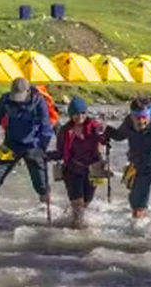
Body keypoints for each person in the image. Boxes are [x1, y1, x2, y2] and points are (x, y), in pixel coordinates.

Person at [0, 77, 55, 212]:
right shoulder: (6, 99)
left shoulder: (39, 102)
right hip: (10, 144)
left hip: (33, 146)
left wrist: (42, 148)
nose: (17, 100)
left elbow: (46, 128)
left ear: (28, 91)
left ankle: (47, 210)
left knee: (42, 185)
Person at [105, 97, 151, 224]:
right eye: (137, 117)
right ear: (132, 116)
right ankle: (137, 238)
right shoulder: (128, 124)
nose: (141, 121)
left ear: (149, 115)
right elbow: (119, 136)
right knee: (137, 211)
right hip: (140, 169)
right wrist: (105, 130)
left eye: (144, 116)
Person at [50, 96, 106, 227]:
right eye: (76, 114)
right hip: (72, 169)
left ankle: (76, 223)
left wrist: (105, 134)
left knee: (86, 202)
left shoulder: (94, 127)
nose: (80, 116)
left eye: (82, 113)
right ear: (70, 115)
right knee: (78, 205)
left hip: (92, 170)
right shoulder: (64, 131)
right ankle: (76, 229)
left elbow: (104, 138)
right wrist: (45, 156)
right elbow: (60, 152)